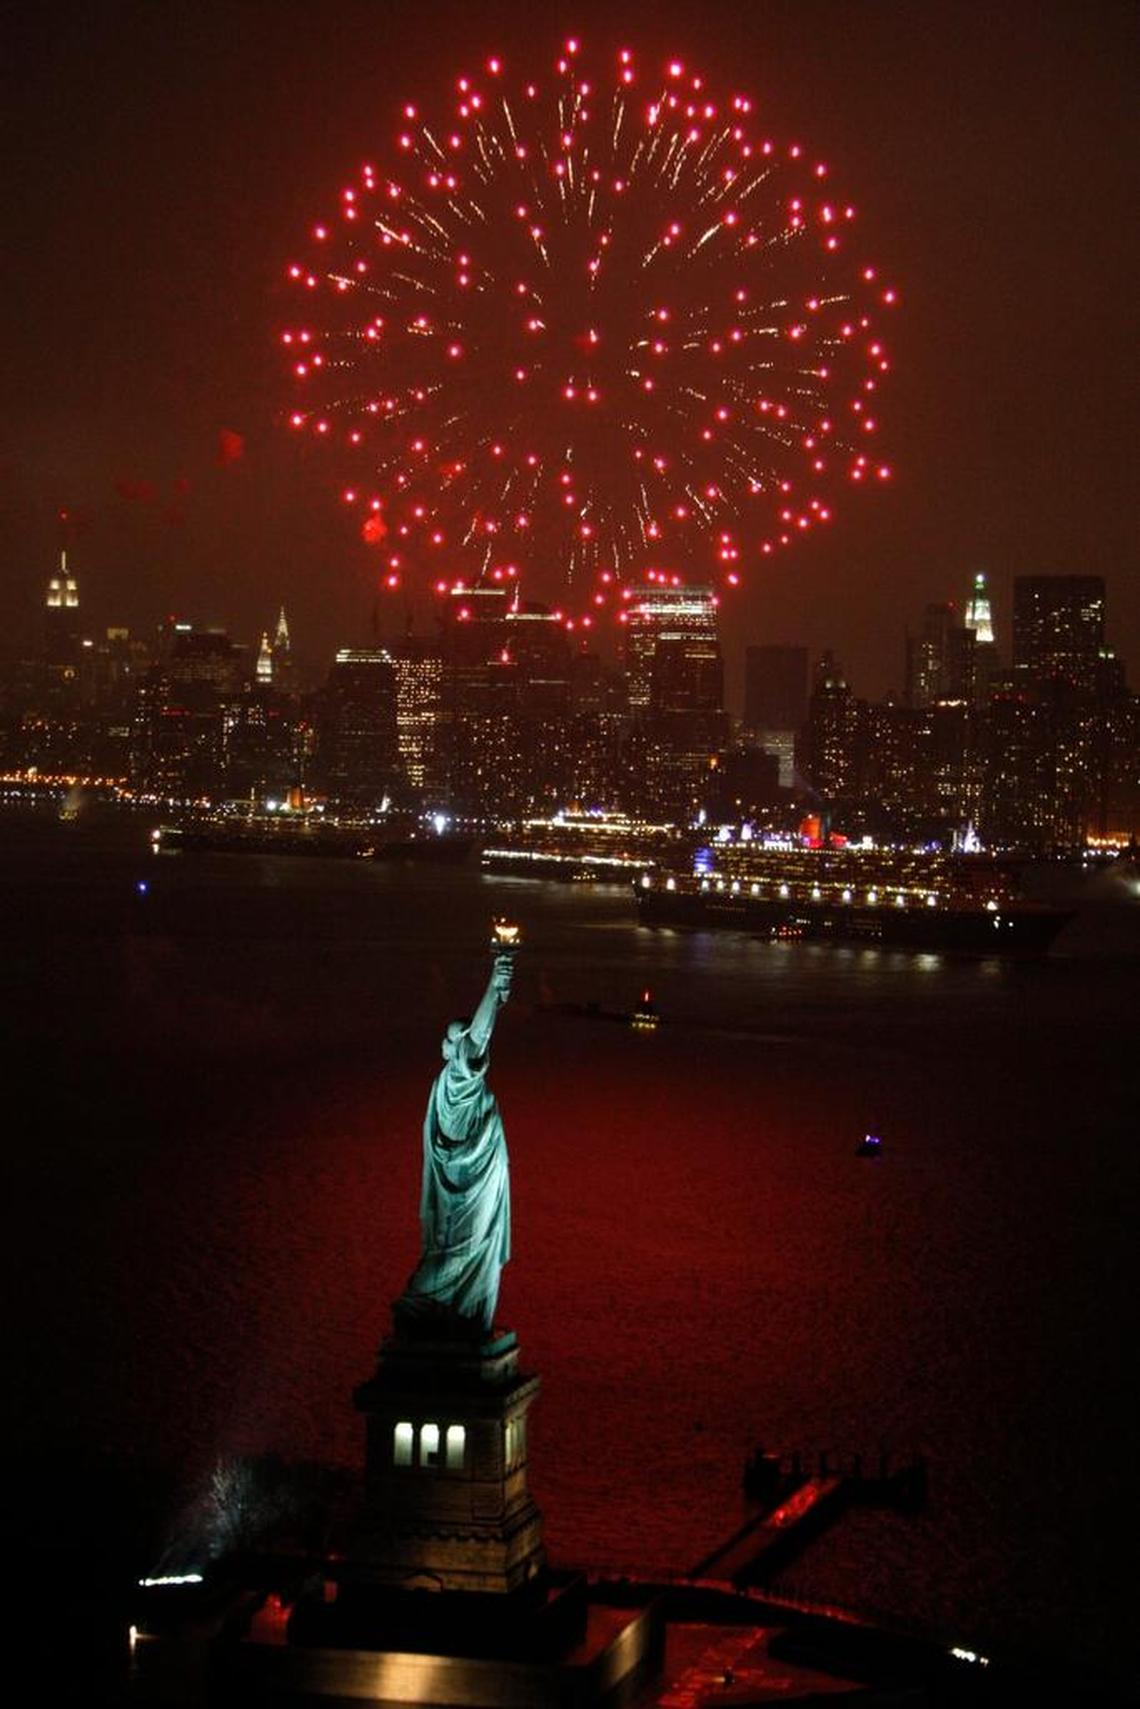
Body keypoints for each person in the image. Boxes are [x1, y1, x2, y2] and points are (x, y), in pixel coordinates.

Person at [394, 952, 515, 1338]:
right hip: (463, 1191)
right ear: (450, 1050)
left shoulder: (453, 1085)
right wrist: (494, 989)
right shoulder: (456, 1083)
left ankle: (463, 1318)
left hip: (469, 1185)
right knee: (461, 1251)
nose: (466, 1045)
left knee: (470, 1252)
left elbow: (476, 1037)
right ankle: (417, 1302)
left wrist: (495, 995)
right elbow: (478, 1037)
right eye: (458, 1040)